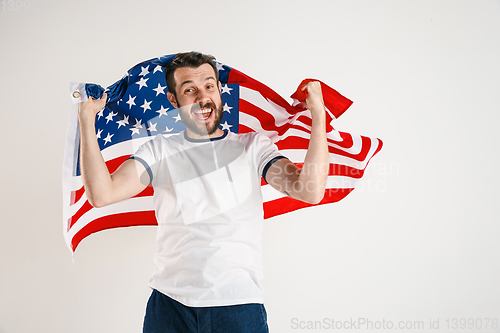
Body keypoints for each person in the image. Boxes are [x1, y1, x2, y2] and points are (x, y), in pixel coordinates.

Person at [78, 51, 329, 333]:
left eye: (209, 86)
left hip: (239, 308)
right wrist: (87, 118)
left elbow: (308, 191)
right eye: (189, 90)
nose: (202, 97)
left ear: (220, 91)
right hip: (170, 307)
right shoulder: (159, 150)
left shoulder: (252, 146)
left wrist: (318, 116)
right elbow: (102, 194)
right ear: (173, 100)